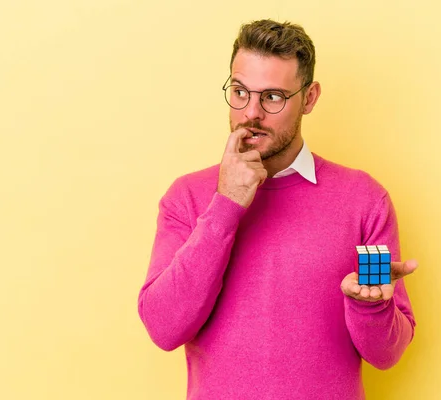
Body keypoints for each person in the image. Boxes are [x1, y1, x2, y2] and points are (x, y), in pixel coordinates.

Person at [138, 19, 418, 400]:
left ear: (310, 97)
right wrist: (226, 205)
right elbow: (163, 328)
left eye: (272, 97)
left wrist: (369, 307)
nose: (251, 113)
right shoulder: (187, 196)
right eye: (240, 92)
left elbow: (388, 354)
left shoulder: (364, 200)